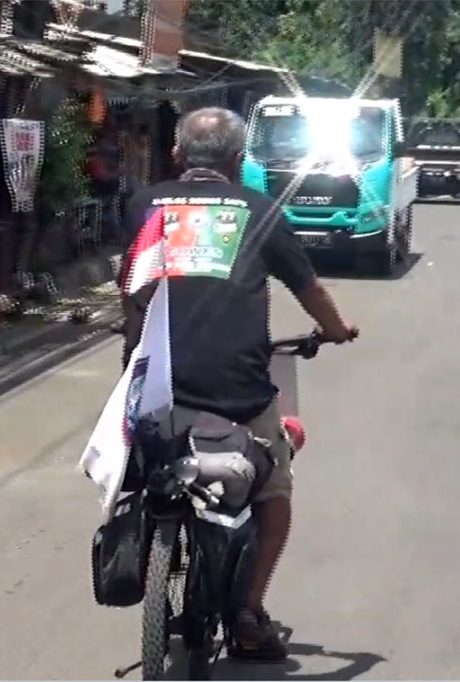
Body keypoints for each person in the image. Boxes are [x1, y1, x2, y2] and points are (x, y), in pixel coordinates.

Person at [120, 107, 358, 662]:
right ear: (238, 161)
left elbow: (130, 285)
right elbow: (310, 287)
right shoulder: (260, 209)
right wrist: (337, 331)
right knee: (275, 490)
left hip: (153, 388)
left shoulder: (141, 204)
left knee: (133, 466)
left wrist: (133, 354)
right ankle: (248, 613)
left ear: (177, 155)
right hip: (237, 391)